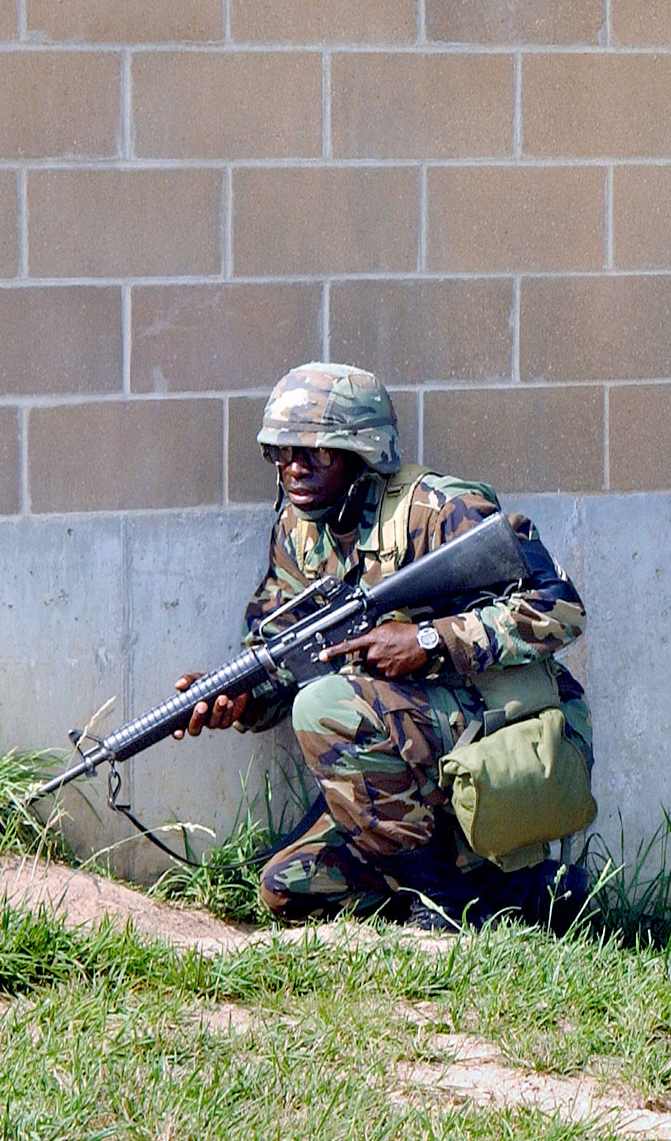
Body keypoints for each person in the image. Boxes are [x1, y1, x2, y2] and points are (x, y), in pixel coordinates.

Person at [175, 362, 594, 934]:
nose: (295, 467)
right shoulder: (300, 531)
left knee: (323, 708)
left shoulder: (440, 509)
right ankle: (516, 895)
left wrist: (430, 640)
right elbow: (282, 651)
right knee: (286, 888)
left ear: (362, 452)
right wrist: (241, 699)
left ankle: (447, 904)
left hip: (506, 725)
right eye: (282, 452)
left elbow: (561, 609)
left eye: (317, 453)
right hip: (402, 752)